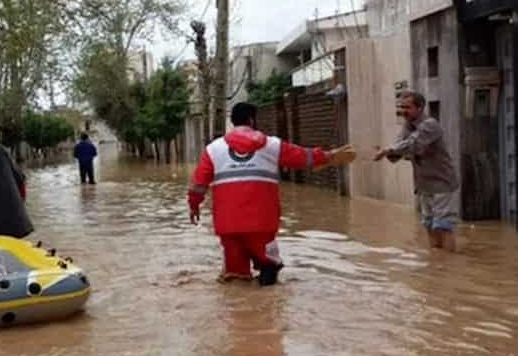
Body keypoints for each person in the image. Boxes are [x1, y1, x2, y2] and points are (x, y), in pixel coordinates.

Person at [187, 102, 356, 285]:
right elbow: (303, 156)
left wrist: (194, 206)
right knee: (270, 267)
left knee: (235, 278)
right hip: (262, 224)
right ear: (252, 120)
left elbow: (198, 185)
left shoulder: (213, 150)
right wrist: (328, 156)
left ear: (233, 121)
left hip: (228, 226)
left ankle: (239, 309)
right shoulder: (271, 145)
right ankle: (268, 305)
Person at [374, 90, 459, 252]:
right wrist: (388, 152)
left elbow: (412, 145)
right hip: (424, 184)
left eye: (407, 107)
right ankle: (437, 263)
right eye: (401, 107)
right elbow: (400, 147)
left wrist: (387, 150)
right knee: (429, 223)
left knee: (443, 225)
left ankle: (449, 262)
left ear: (419, 108)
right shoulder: (408, 126)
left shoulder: (430, 125)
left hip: (442, 182)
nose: (403, 111)